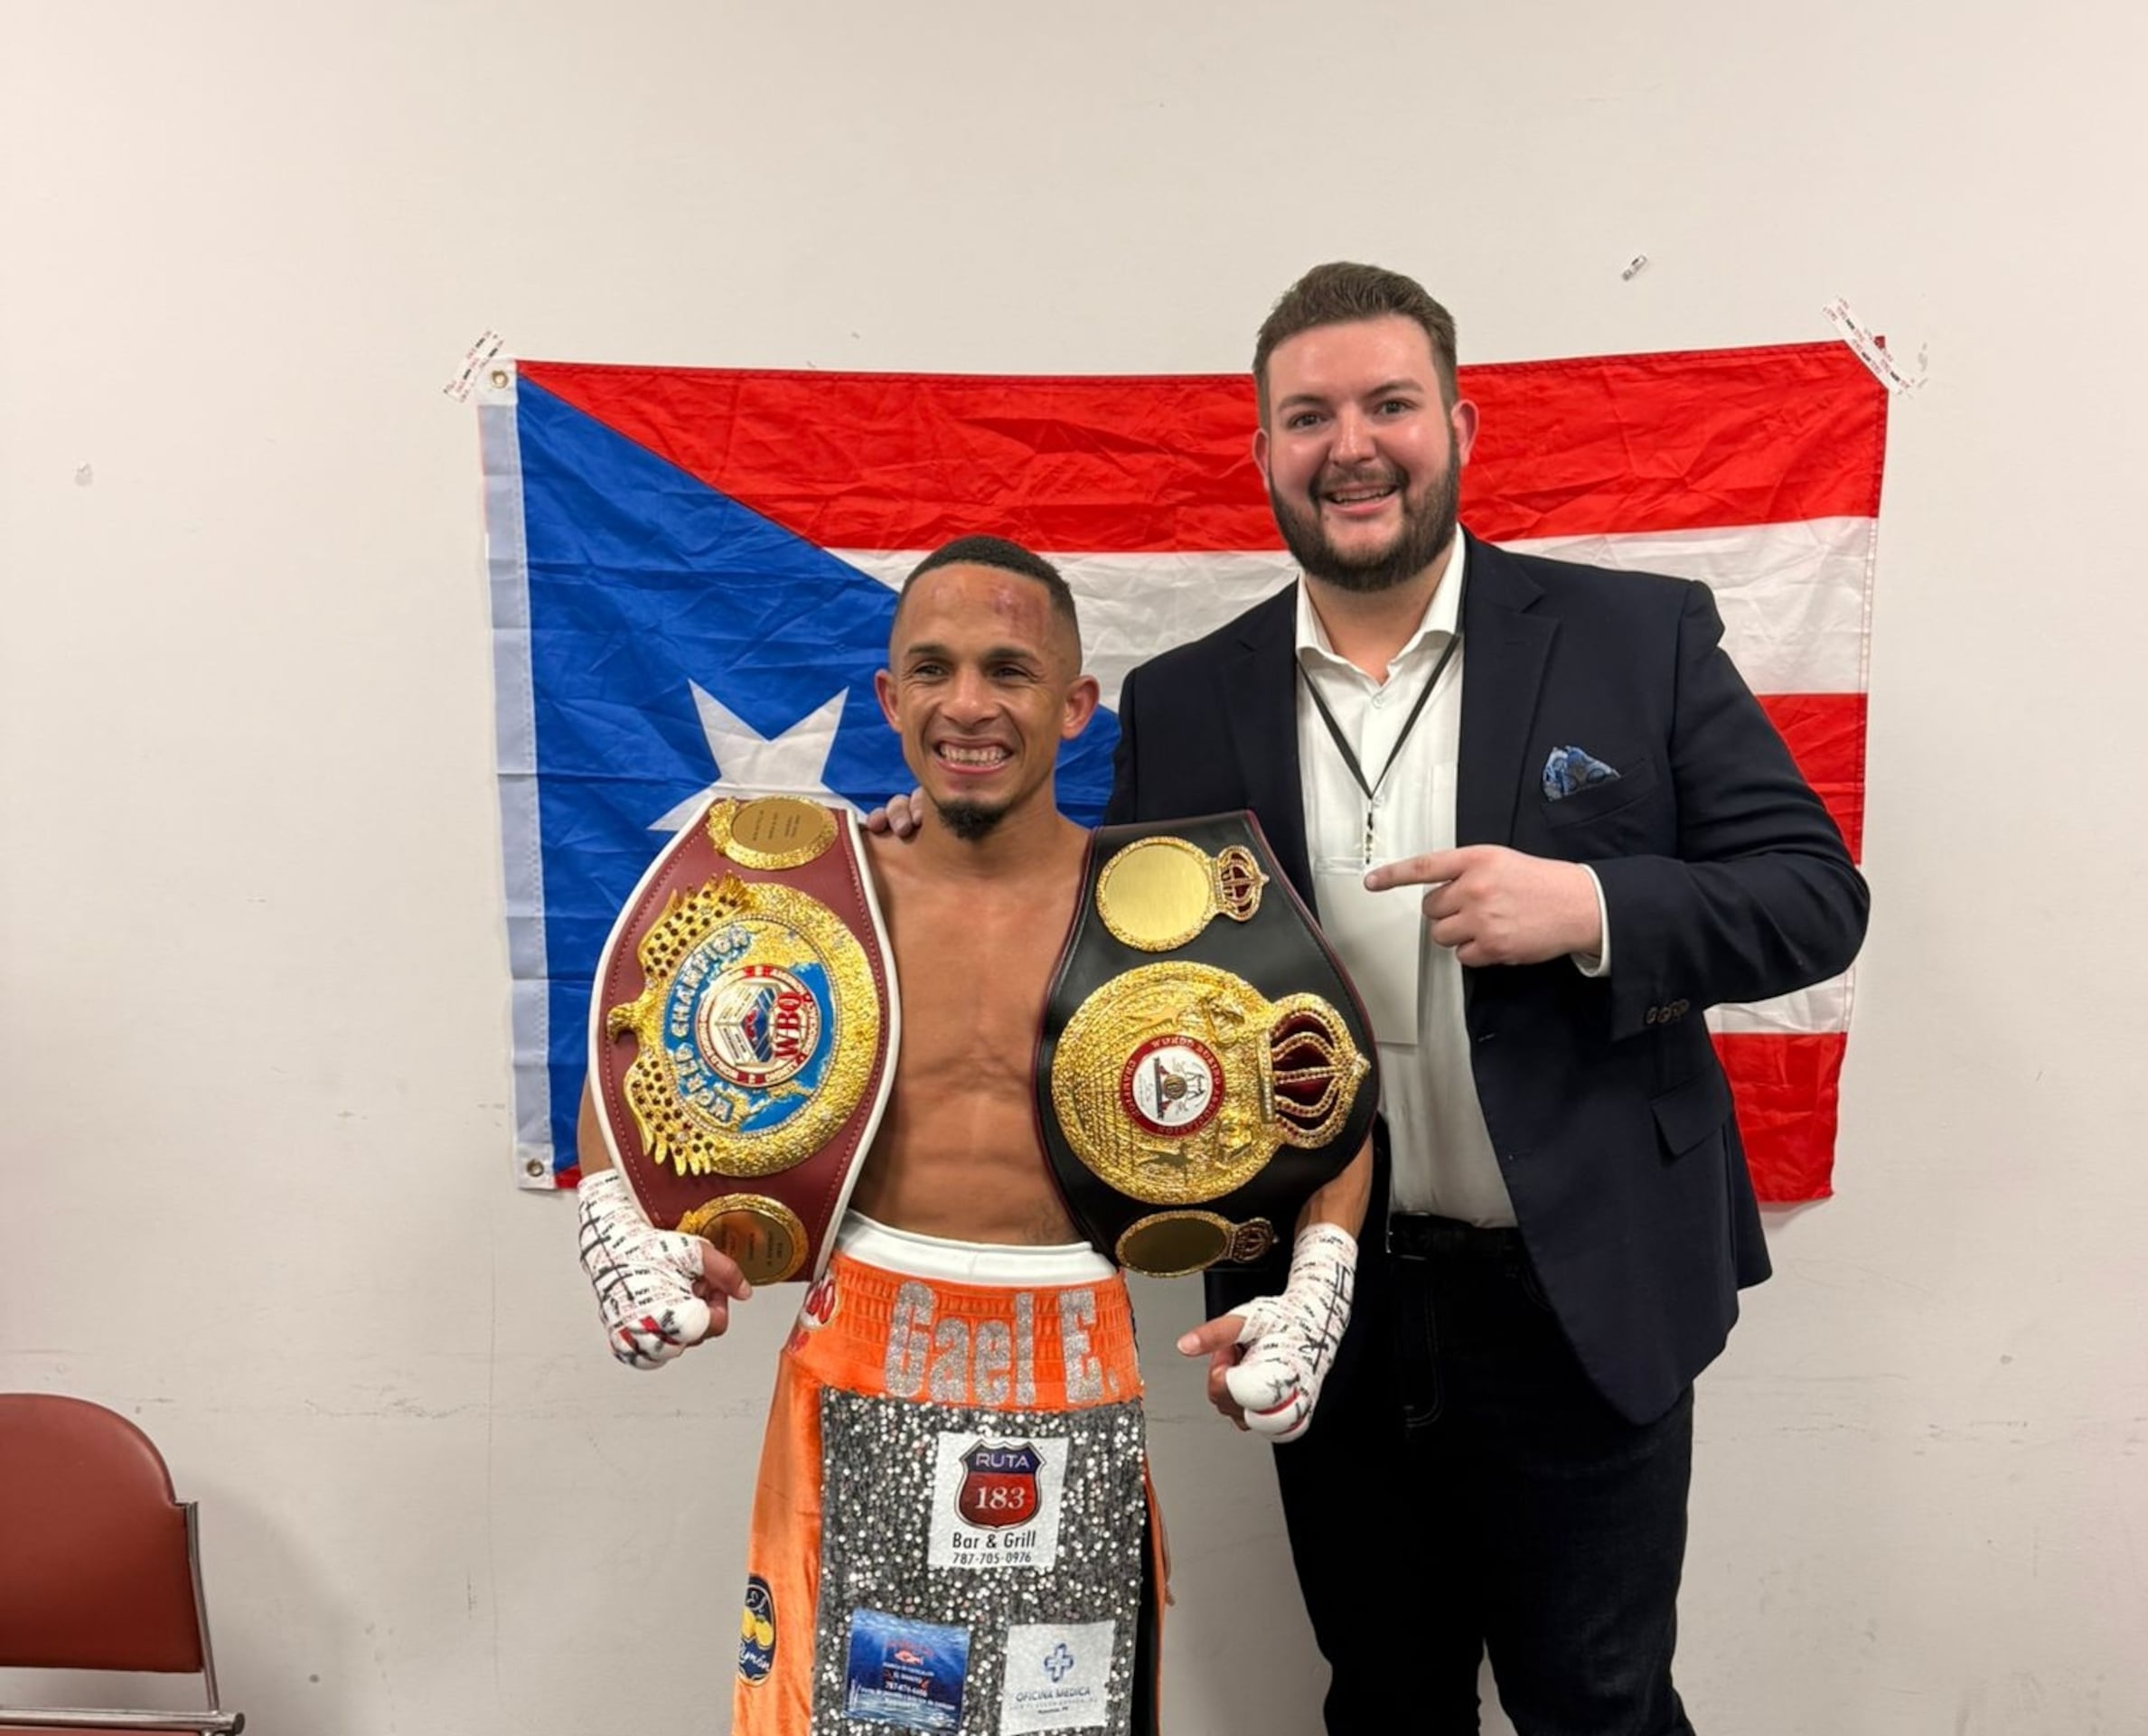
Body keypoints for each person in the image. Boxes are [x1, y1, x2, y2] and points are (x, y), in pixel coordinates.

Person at [1107, 264, 1871, 1734]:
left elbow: (1811, 894)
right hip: (1324, 1294)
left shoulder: (1635, 638)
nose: (1353, 444)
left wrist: (1589, 905)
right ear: (1261, 453)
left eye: (1390, 403)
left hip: (1577, 1284)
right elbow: (1130, 995)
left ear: (1458, 423)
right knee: (1385, 1697)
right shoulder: (1182, 699)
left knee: (1595, 1698)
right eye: (1309, 414)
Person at [571, 534, 1372, 1736]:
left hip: (1074, 1367)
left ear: (1074, 702)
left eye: (1009, 668)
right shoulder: (817, 896)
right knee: (832, 1716)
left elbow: (1329, 1092)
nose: (969, 704)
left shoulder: (1166, 907)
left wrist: (1317, 1294)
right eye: (932, 669)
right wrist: (614, 1236)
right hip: (861, 1356)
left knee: (1071, 1715)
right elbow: (630, 1061)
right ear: (889, 698)